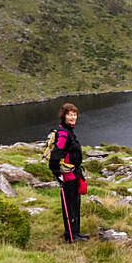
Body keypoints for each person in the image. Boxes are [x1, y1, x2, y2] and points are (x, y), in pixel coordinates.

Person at [48, 102, 88, 243]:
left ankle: (76, 232)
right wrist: (57, 173)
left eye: (74, 114)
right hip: (68, 176)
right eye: (69, 114)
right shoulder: (64, 134)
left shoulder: (69, 131)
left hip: (74, 173)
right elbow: (56, 154)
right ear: (64, 116)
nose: (73, 117)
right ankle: (70, 235)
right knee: (70, 205)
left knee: (76, 203)